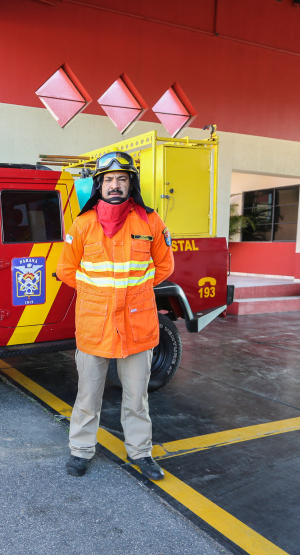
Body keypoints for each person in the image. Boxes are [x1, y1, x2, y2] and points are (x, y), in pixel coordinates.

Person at [56, 151, 174, 479]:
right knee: (88, 395)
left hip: (137, 325)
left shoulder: (150, 221)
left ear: (131, 183)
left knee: (137, 398)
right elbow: (65, 269)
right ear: (99, 185)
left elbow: (165, 265)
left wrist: (135, 290)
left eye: (122, 178)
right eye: (108, 179)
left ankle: (141, 452)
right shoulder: (83, 224)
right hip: (95, 325)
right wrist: (99, 292)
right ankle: (81, 451)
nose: (115, 185)